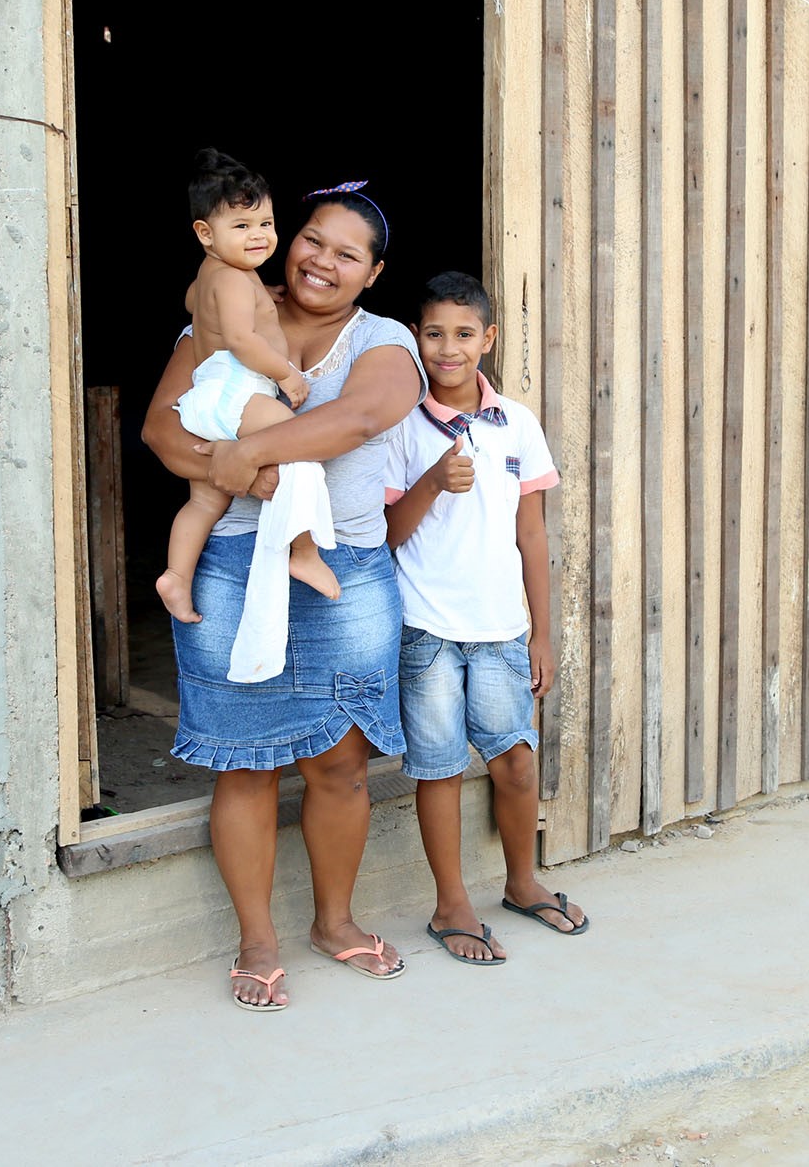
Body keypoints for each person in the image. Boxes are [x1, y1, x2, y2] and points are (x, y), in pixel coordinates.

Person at [141, 182, 424, 1012]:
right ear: (284, 239)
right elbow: (162, 428)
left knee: (338, 761)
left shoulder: (384, 339)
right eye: (312, 239)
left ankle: (333, 921)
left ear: (372, 274)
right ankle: (256, 939)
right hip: (232, 564)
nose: (322, 261)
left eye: (347, 253)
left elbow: (360, 418)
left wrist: (240, 454)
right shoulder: (231, 319)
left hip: (345, 572)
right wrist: (236, 468)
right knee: (244, 762)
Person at [382, 271, 588, 964]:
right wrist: (434, 478)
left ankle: (522, 881)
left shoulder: (516, 424)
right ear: (417, 336)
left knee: (517, 763)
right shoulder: (401, 425)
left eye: (464, 334)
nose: (448, 349)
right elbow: (388, 533)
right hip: (429, 630)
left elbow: (532, 535)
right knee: (438, 769)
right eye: (434, 333)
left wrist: (543, 630)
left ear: (488, 338)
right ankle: (451, 904)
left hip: (501, 630)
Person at [156, 149, 339, 636]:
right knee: (299, 447)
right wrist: (286, 375)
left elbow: (196, 302)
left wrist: (260, 297)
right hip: (239, 390)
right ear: (204, 233)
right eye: (241, 226)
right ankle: (305, 553)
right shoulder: (237, 279)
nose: (258, 235)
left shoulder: (214, 276)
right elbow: (240, 339)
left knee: (204, 502)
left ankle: (176, 575)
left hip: (205, 400)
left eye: (265, 223)